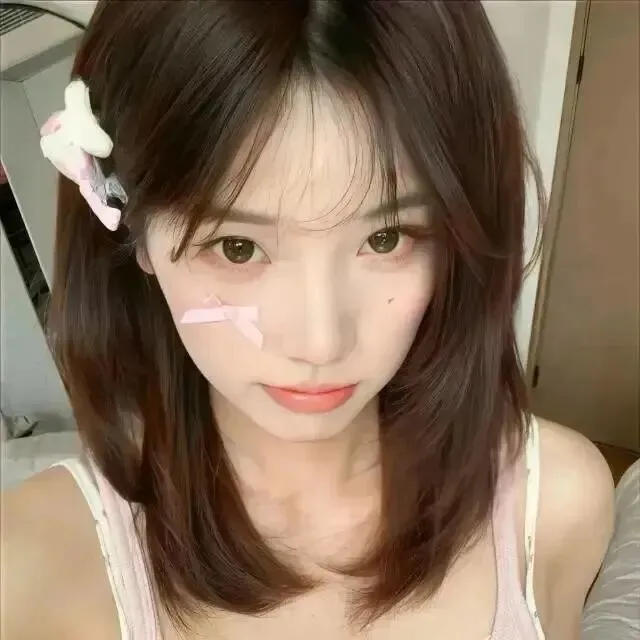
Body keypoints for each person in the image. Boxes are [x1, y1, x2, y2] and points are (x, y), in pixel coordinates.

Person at [2, 2, 614, 639]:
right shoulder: (28, 573)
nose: (321, 342)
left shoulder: (556, 505)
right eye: (238, 247)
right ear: (133, 231)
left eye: (386, 238)